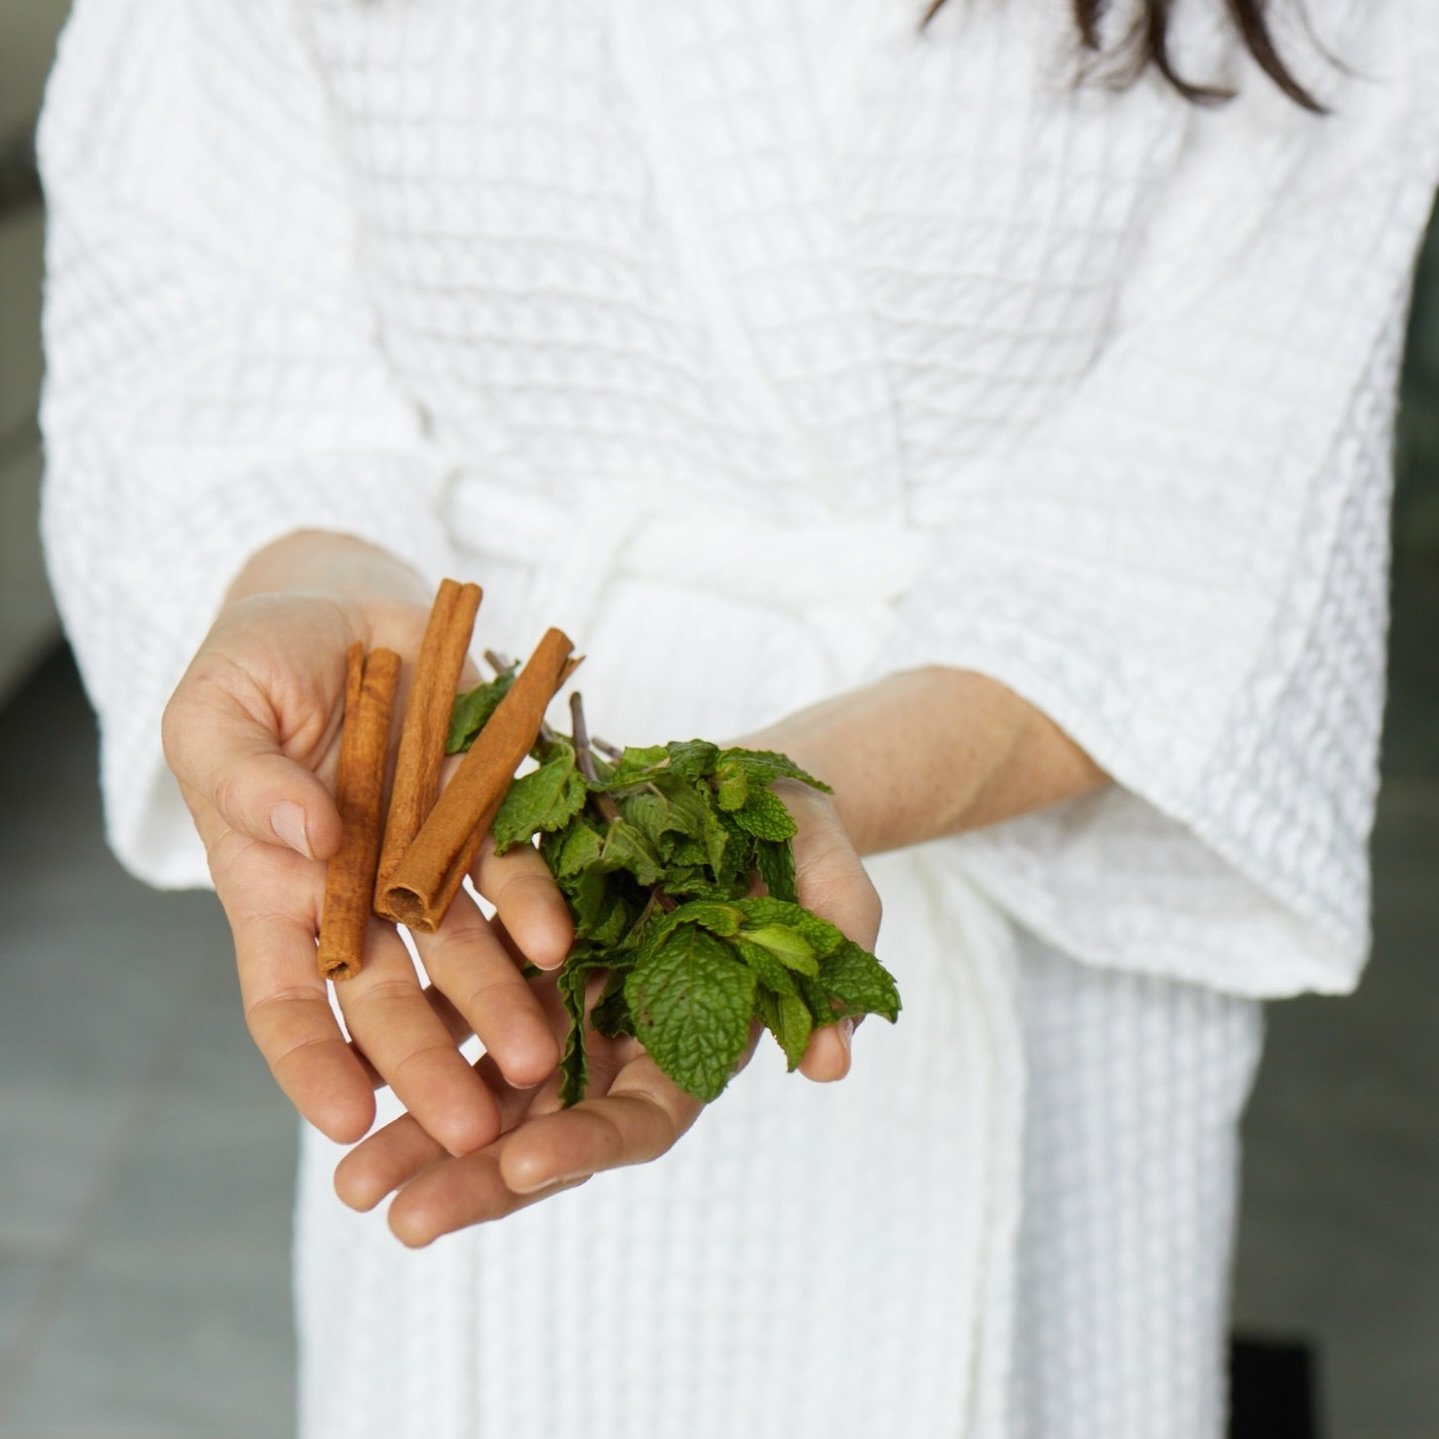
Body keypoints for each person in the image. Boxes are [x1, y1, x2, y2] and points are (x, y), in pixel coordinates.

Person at [37, 1, 1438, 1435]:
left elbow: (1210, 520)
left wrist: (803, 792)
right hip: (473, 944)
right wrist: (310, 575)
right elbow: (201, 317)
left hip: (1029, 928)